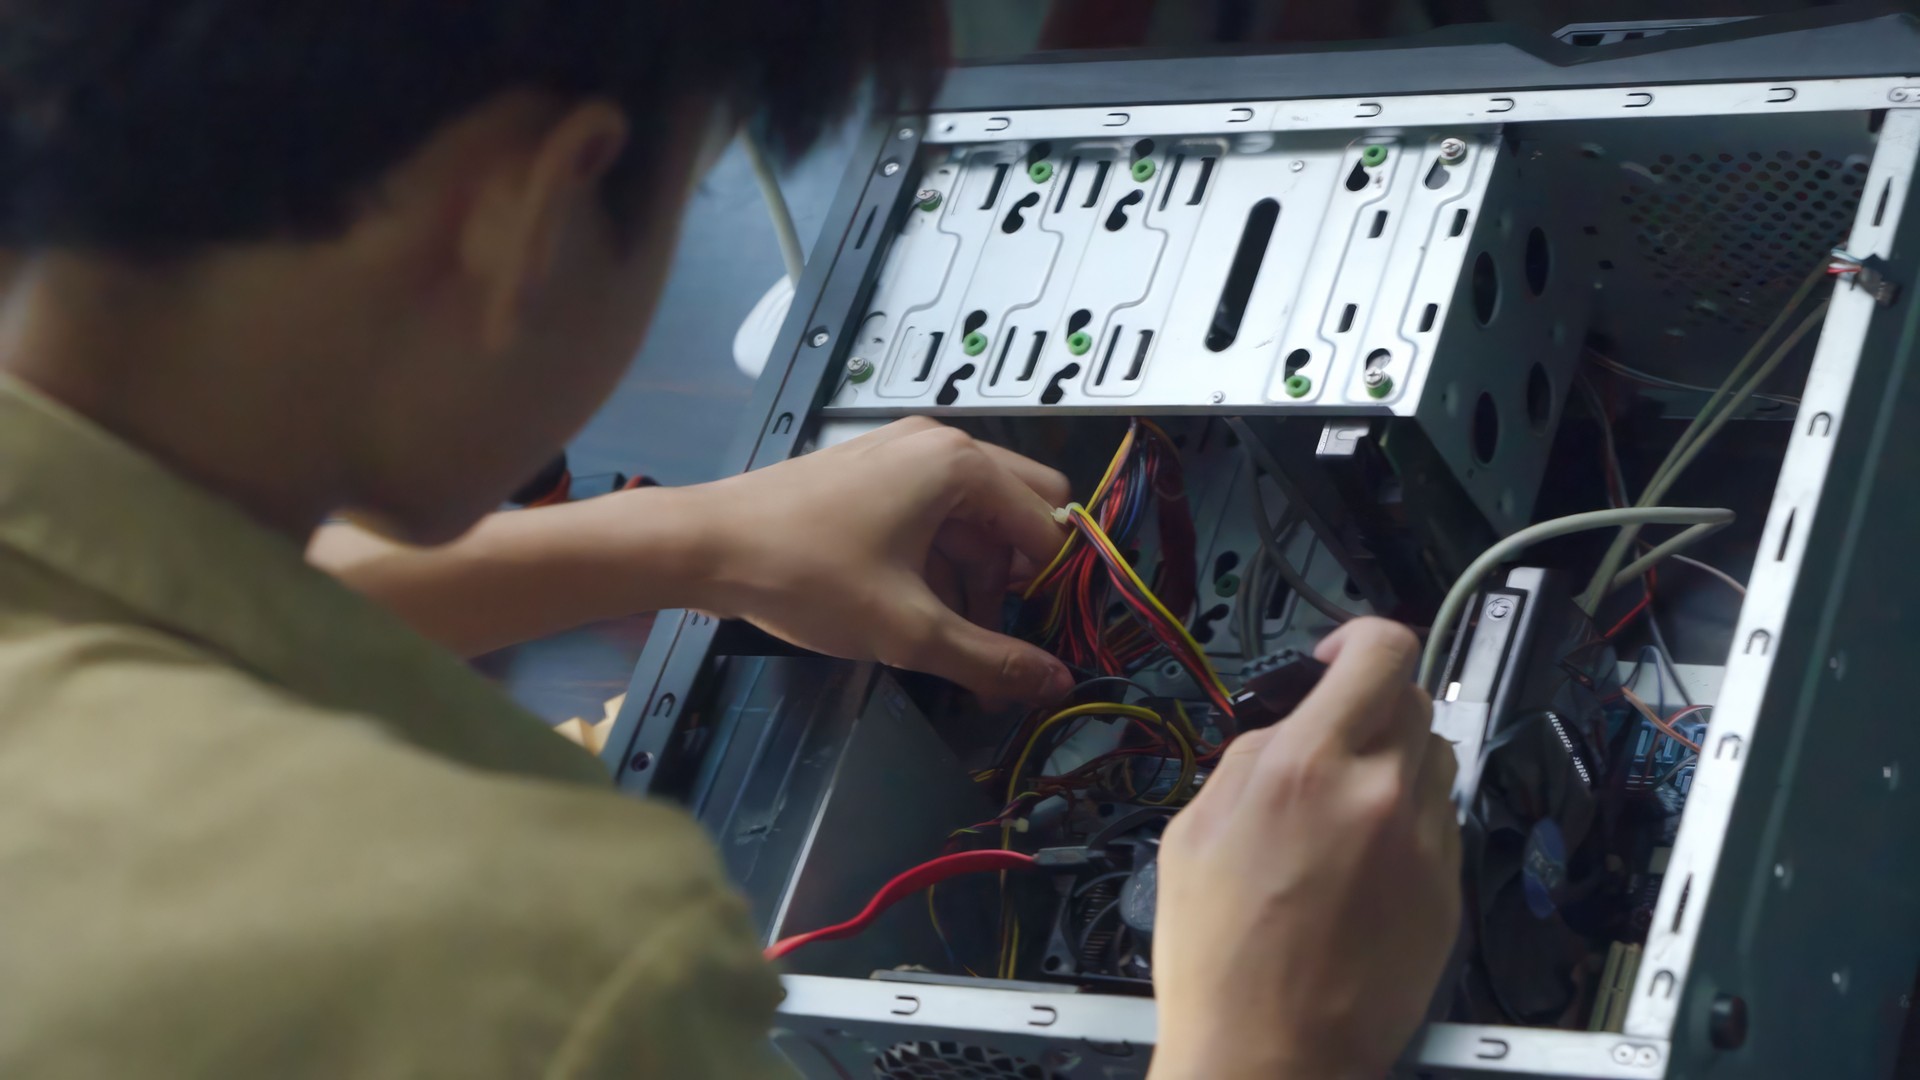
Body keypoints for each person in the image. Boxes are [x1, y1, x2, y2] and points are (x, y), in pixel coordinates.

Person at [0, 2, 1460, 1077]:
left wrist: (692, 538)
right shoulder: (528, 969)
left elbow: (141, 580)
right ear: (525, 206)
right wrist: (1264, 1042)